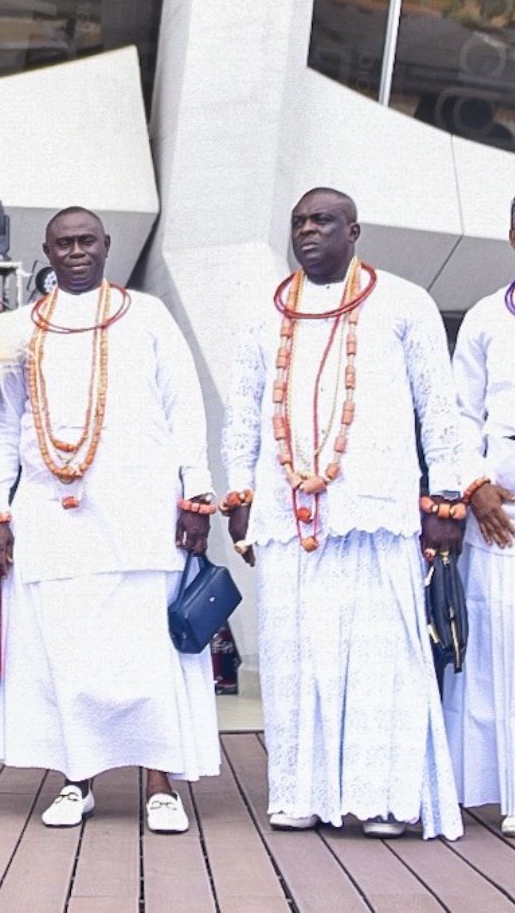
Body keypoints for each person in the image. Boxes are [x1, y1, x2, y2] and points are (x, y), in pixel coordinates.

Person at [222, 187, 465, 840]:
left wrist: (448, 495)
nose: (308, 230)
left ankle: (382, 799)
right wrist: (238, 493)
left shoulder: (405, 302)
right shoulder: (263, 315)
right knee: (294, 651)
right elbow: (244, 414)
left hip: (377, 507)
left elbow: (438, 408)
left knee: (380, 653)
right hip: (286, 512)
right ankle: (298, 791)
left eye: (322, 220)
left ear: (353, 231)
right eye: (299, 221)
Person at [0, 206, 220, 835]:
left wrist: (197, 494)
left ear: (108, 245)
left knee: (144, 650)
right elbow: (1, 425)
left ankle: (159, 783)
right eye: (64, 243)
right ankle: (76, 778)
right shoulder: (20, 327)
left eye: (88, 240)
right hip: (49, 514)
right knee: (66, 649)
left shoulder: (148, 315)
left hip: (141, 512)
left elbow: (184, 406)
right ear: (48, 252)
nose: (77, 251)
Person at [446, 198, 515, 836]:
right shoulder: (487, 316)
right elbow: (460, 416)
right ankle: (502, 796)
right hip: (500, 519)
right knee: (495, 656)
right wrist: (476, 485)